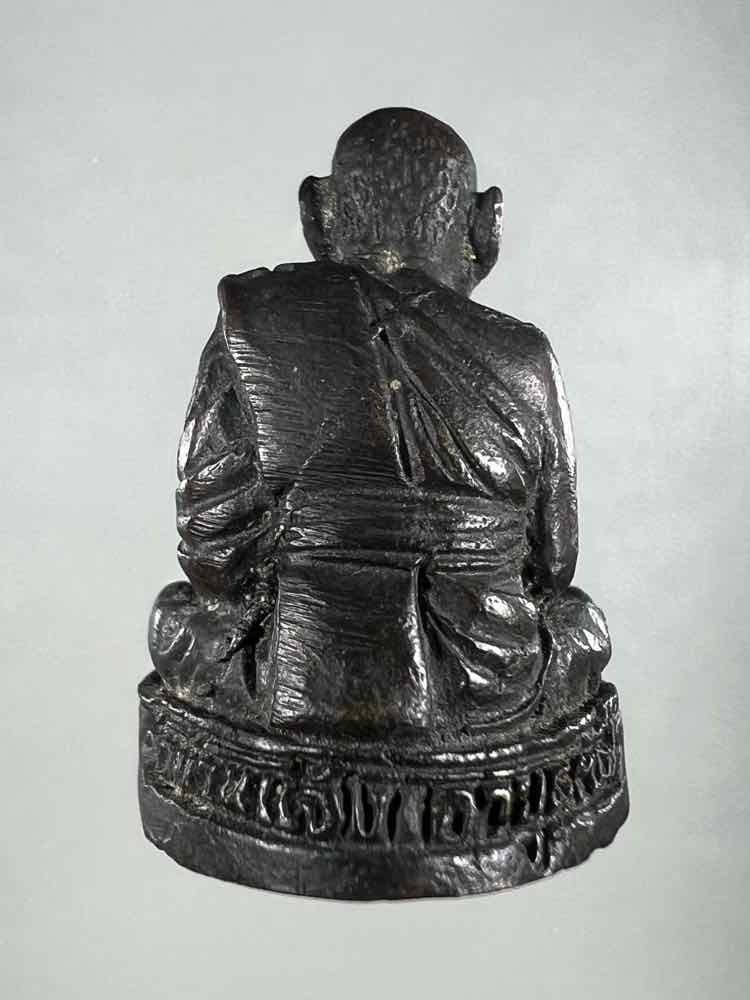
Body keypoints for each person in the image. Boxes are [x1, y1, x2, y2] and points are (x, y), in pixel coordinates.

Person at [148, 108, 610, 738]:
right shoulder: (524, 356)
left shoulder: (256, 318)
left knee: (178, 620)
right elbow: (553, 566)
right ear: (485, 224)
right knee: (578, 624)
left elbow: (214, 549)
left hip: (295, 669)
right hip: (488, 674)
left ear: (318, 215)